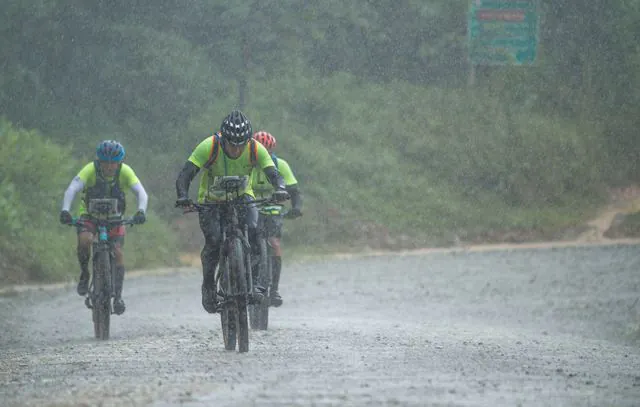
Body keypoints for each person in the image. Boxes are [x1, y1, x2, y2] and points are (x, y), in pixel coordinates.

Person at [174, 110, 289, 313]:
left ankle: (255, 284)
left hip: (243, 197)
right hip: (211, 200)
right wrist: (183, 196)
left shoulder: (255, 148)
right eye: (231, 144)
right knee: (214, 241)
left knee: (254, 232)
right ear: (223, 138)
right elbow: (185, 175)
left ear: (247, 140)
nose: (236, 149)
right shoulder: (209, 146)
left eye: (240, 144)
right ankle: (208, 286)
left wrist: (280, 189)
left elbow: (274, 174)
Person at [59, 140, 148, 315]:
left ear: (119, 162)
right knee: (84, 240)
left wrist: (141, 211)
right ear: (99, 161)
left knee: (119, 253)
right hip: (89, 217)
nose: (109, 166)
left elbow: (141, 193)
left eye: (113, 162)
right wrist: (65, 210)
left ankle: (118, 297)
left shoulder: (125, 172)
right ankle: (85, 273)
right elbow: (72, 189)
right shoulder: (90, 170)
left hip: (115, 218)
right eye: (105, 162)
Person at [251, 131, 303, 307]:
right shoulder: (246, 164)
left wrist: (296, 208)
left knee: (274, 243)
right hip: (251, 207)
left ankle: (274, 290)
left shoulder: (280, 165)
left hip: (273, 209)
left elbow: (294, 190)